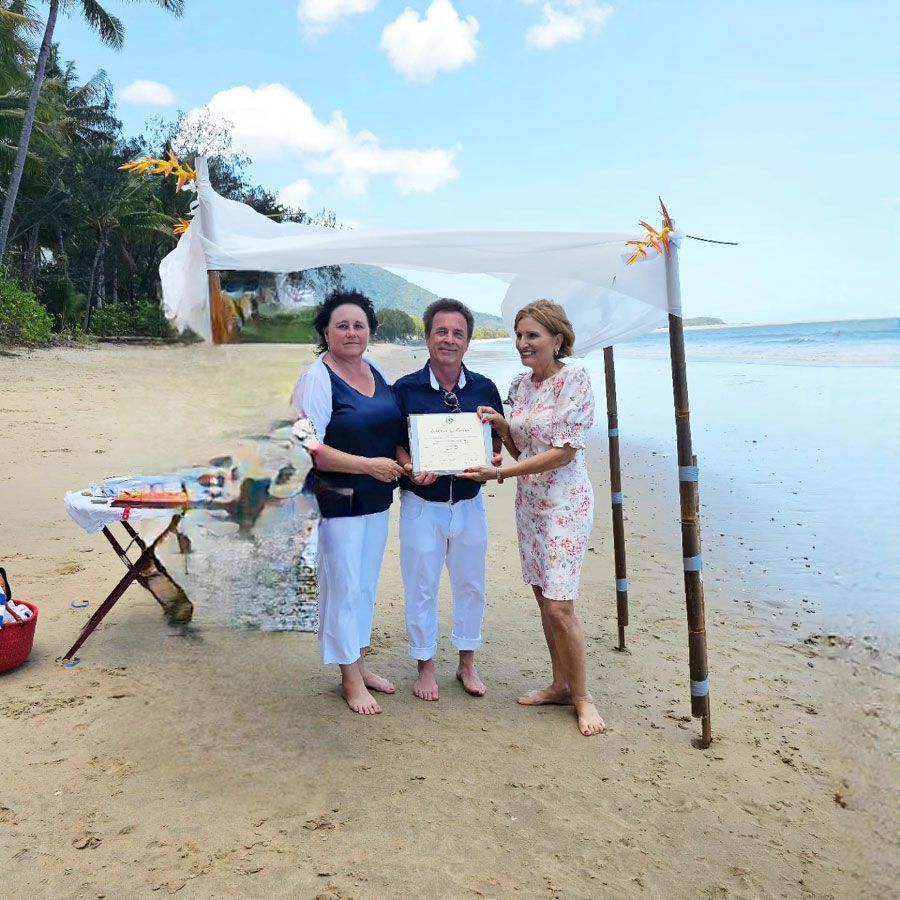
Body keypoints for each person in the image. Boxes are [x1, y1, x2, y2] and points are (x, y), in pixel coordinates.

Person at [459, 299, 606, 737]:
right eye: (519, 335)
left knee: (561, 606)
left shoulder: (575, 380)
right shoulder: (520, 386)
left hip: (565, 504)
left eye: (533, 336)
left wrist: (499, 470)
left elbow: (561, 454)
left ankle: (583, 697)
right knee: (544, 597)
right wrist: (502, 428)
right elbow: (526, 450)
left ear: (557, 339)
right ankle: (560, 684)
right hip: (530, 504)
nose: (523, 343)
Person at [291, 289, 405, 715]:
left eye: (359, 325)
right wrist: (367, 466)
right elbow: (308, 444)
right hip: (337, 500)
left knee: (365, 585)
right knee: (342, 587)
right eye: (342, 325)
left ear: (370, 331)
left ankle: (358, 659)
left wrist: (400, 461)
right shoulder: (316, 378)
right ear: (326, 331)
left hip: (376, 499)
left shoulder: (374, 369)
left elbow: (390, 431)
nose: (351, 332)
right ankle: (350, 679)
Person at [392, 298, 504, 701]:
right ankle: (425, 666)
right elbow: (395, 444)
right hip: (422, 505)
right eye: (441, 331)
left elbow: (495, 443)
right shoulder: (404, 388)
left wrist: (493, 459)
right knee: (421, 586)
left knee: (471, 585)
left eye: (458, 333)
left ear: (468, 342)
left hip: (470, 504)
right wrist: (408, 465)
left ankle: (467, 663)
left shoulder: (484, 388)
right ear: (427, 337)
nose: (449, 339)